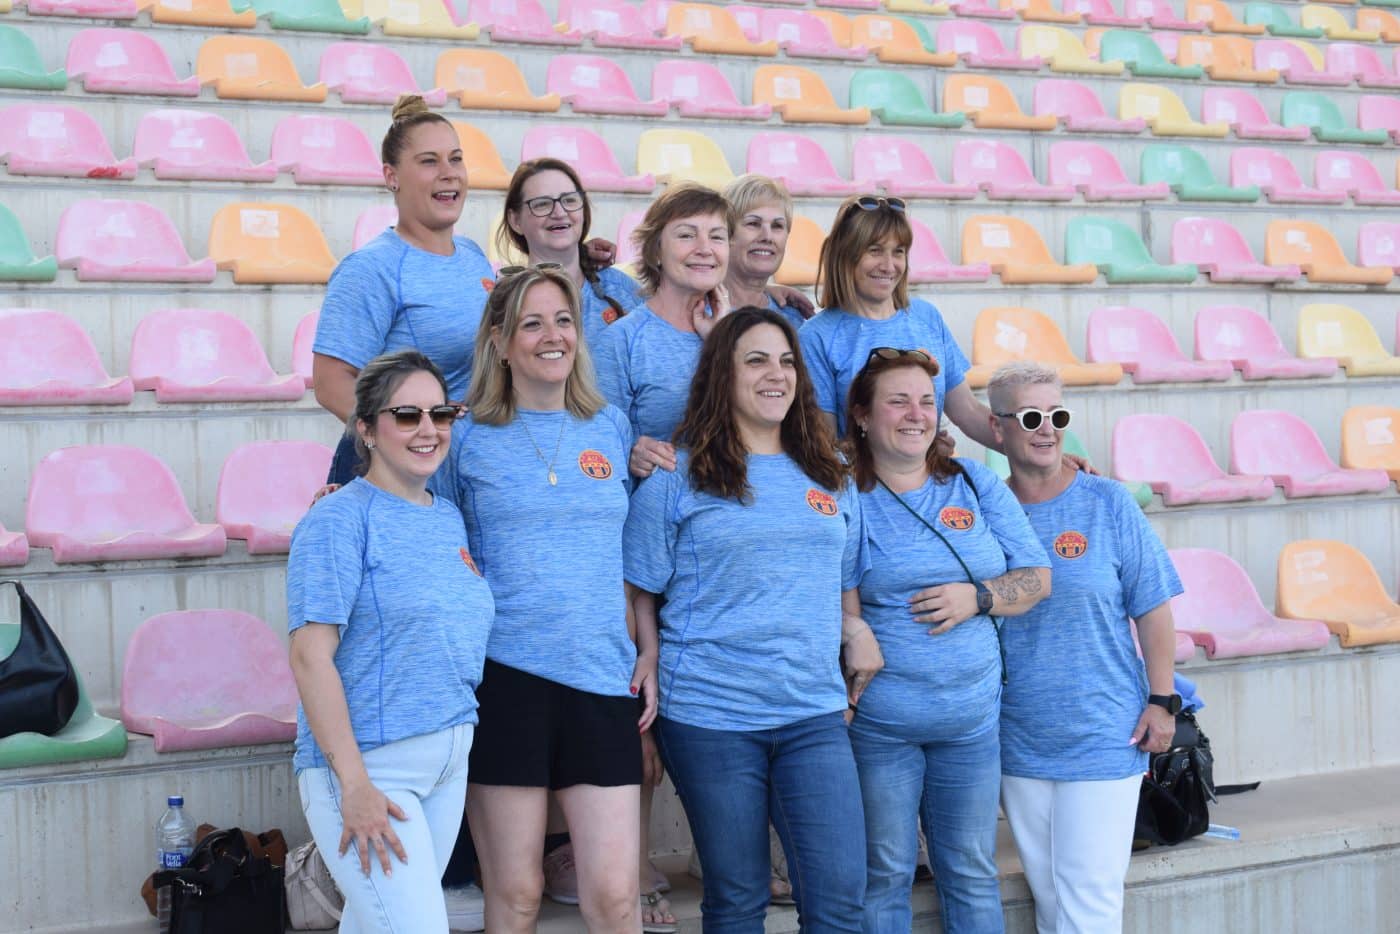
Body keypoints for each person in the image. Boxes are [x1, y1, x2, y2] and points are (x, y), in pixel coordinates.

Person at [623, 307, 870, 933]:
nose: (775, 374)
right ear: (721, 376)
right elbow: (638, 585)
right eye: (756, 360)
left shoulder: (831, 475)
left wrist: (855, 630)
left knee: (840, 899)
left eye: (786, 360)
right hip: (710, 715)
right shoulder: (676, 475)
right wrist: (647, 654)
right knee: (737, 900)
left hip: (813, 713)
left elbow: (843, 577)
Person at [431, 265, 653, 934]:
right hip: (506, 682)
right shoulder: (463, 436)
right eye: (532, 323)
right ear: (499, 341)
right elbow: (432, 544)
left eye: (562, 320)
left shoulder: (610, 427)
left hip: (602, 679)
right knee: (518, 896)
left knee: (616, 899)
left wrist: (649, 647)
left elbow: (629, 558)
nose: (551, 336)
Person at [287, 350, 495, 934]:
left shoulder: (447, 517)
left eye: (441, 414)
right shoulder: (337, 520)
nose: (428, 430)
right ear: (366, 429)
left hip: (447, 761)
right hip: (375, 767)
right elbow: (309, 657)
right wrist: (353, 784)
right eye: (406, 416)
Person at [844, 349, 1051, 934]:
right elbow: (833, 588)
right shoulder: (843, 491)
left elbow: (1037, 579)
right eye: (898, 400)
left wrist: (978, 596)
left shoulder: (972, 481)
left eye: (927, 402)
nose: (916, 414)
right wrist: (853, 627)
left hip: (972, 723)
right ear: (862, 415)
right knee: (884, 872)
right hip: (883, 725)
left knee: (970, 869)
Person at [988, 361, 1183, 934]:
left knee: (1091, 904)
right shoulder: (985, 509)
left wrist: (1162, 700)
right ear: (997, 429)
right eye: (1029, 416)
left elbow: (1154, 607)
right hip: (1017, 736)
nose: (1047, 429)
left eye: (1057, 415)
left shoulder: (1108, 502)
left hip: (1104, 730)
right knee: (1052, 903)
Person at [312, 94, 493, 486]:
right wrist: (404, 439)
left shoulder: (474, 256)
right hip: (395, 474)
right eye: (429, 161)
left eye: (456, 158)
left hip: (461, 465)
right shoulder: (371, 268)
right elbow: (330, 383)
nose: (449, 173)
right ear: (391, 176)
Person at [799, 196, 997, 448]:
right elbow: (825, 447)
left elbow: (968, 411)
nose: (889, 266)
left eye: (898, 252)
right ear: (845, 255)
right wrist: (911, 453)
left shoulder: (927, 317)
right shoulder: (816, 337)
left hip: (930, 477)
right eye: (875, 251)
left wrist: (1033, 451)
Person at [593, 183, 733, 481]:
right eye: (686, 235)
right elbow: (598, 442)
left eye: (717, 237)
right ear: (655, 250)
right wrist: (630, 451)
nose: (705, 248)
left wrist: (721, 344)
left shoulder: (742, 335)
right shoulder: (622, 341)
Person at [497, 157, 647, 346]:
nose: (559, 212)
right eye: (542, 204)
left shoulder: (624, 291)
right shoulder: (506, 303)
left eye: (569, 200)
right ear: (515, 220)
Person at [722, 174, 814, 335]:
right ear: (725, 232)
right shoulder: (695, 309)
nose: (767, 236)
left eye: (777, 226)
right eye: (753, 223)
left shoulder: (793, 318)